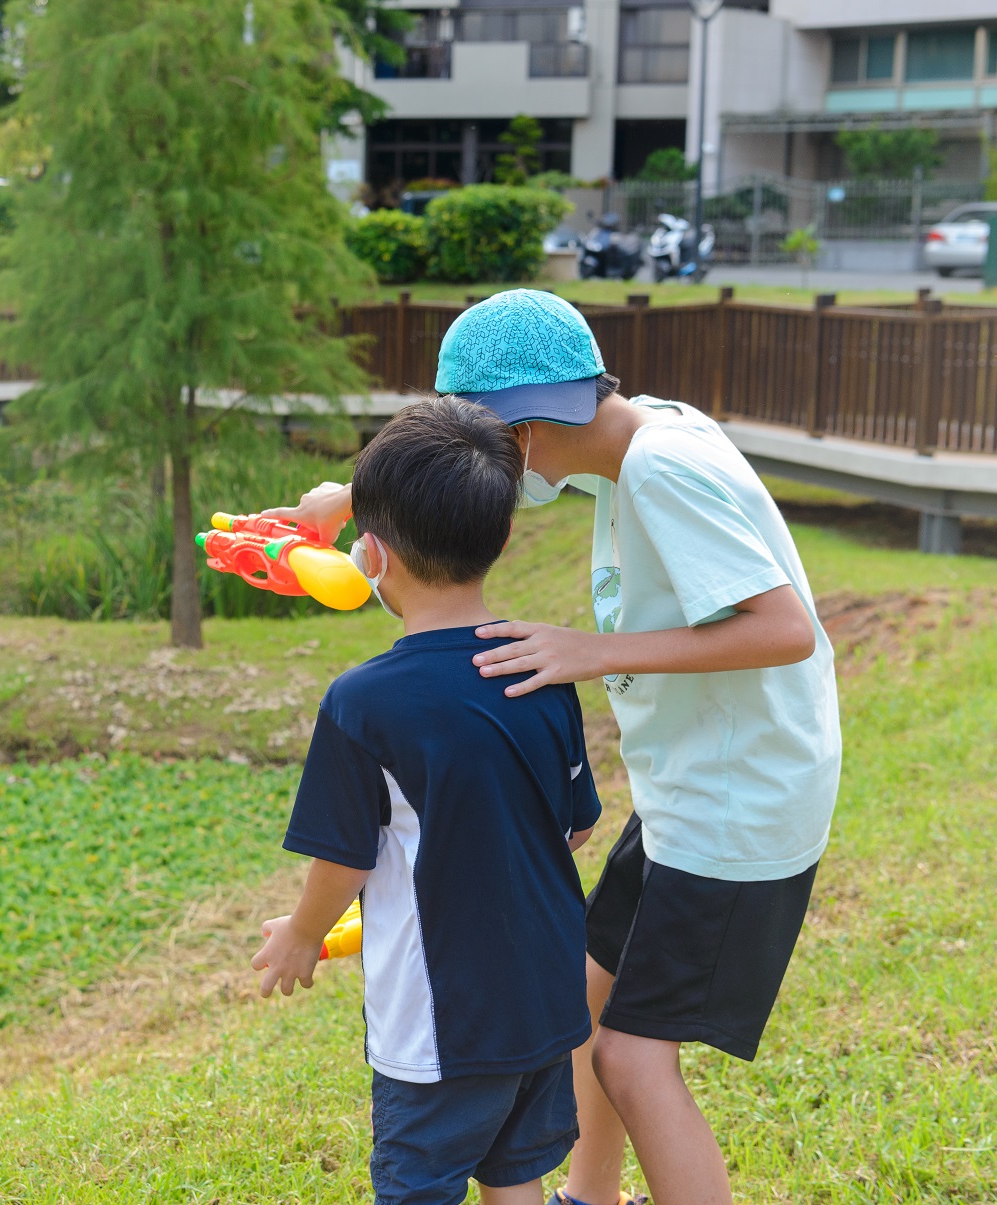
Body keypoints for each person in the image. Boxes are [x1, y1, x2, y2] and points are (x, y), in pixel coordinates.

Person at [266, 289, 842, 1205]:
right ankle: (586, 1193)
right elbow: (451, 483)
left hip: (736, 808)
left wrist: (591, 650)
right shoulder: (635, 433)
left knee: (629, 1055)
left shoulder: (660, 469)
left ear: (524, 433)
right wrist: (353, 497)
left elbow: (784, 629)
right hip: (687, 792)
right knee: (583, 999)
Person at [252, 397, 603, 1205]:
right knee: (518, 1172)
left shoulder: (364, 701)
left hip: (444, 1022)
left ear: (368, 557)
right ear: (504, 537)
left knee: (418, 1185)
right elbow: (575, 824)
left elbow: (345, 855)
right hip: (545, 998)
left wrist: (304, 934)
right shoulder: (542, 666)